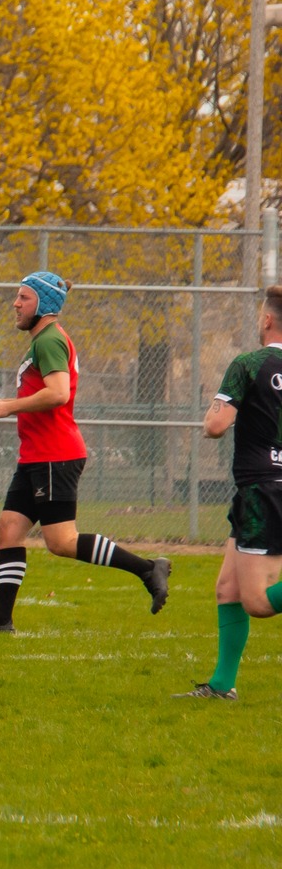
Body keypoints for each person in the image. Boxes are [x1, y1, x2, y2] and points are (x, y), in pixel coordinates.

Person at [0, 272, 170, 630]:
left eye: (23, 298)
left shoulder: (48, 339)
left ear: (44, 305)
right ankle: (0, 621)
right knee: (8, 530)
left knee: (61, 542)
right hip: (36, 455)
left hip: (53, 454)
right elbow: (46, 395)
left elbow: (59, 393)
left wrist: (8, 407)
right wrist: (1, 403)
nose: (15, 304)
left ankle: (147, 568)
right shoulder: (42, 340)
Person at [176, 284, 282, 699]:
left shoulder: (249, 364)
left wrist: (211, 413)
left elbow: (216, 426)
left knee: (256, 601)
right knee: (228, 589)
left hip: (261, 488)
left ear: (267, 319)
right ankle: (222, 686)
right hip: (262, 489)